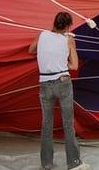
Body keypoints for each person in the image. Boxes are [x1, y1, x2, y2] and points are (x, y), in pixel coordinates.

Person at [28, 12, 90, 170]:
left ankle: (47, 163)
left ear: (54, 23)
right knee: (68, 124)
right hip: (63, 83)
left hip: (44, 83)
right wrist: (62, 63)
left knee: (46, 124)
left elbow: (31, 50)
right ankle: (74, 163)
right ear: (68, 26)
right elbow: (74, 65)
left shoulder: (42, 35)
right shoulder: (69, 40)